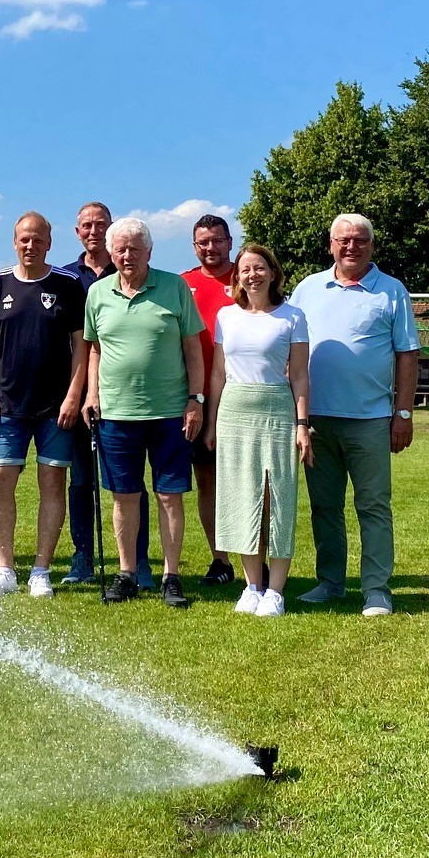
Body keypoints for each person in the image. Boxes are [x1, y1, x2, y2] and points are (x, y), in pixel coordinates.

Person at [290, 213, 420, 617]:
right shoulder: (308, 288)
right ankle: (330, 583)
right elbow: (287, 344)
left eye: (360, 240)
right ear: (331, 244)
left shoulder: (392, 291)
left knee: (373, 507)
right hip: (316, 420)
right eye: (343, 240)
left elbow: (408, 355)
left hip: (370, 421)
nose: (351, 246)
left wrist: (403, 412)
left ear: (372, 245)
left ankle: (376, 589)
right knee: (324, 506)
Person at [82, 217, 206, 608]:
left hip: (170, 412)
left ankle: (171, 576)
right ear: (110, 252)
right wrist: (91, 394)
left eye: (135, 249)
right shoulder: (98, 293)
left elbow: (193, 348)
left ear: (149, 252)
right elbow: (94, 349)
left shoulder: (174, 287)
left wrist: (196, 399)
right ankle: (127, 574)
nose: (127, 256)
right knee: (124, 497)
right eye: (120, 249)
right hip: (116, 413)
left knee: (170, 496)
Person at [0, 211, 87, 599]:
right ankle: (5, 570)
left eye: (38, 239)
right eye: (24, 239)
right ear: (14, 241)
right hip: (7, 404)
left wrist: (73, 395)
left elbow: (82, 346)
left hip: (55, 407)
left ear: (49, 243)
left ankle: (41, 571)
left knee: (52, 482)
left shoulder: (67, 284)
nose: (31, 245)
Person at [205, 243, 312, 617]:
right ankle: (252, 586)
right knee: (242, 497)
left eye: (260, 268)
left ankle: (275, 592)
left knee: (276, 498)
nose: (253, 275)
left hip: (277, 410)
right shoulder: (226, 316)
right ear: (238, 277)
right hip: (234, 412)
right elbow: (217, 375)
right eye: (245, 269)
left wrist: (302, 424)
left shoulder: (292, 317)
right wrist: (211, 422)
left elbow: (300, 376)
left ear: (273, 273)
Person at [53, 201, 152, 587]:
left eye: (101, 225)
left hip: (126, 397)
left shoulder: (129, 268)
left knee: (130, 484)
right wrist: (76, 393)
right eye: (87, 225)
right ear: (77, 232)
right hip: (79, 395)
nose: (93, 231)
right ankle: (83, 557)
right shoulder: (64, 277)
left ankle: (138, 562)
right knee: (81, 480)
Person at [182, 213, 241, 586]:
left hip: (241, 398)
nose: (211, 248)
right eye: (203, 242)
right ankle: (220, 561)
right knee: (207, 481)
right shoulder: (182, 284)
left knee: (249, 483)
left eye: (217, 240)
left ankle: (258, 560)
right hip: (197, 399)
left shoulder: (247, 277)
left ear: (229, 242)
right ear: (194, 246)